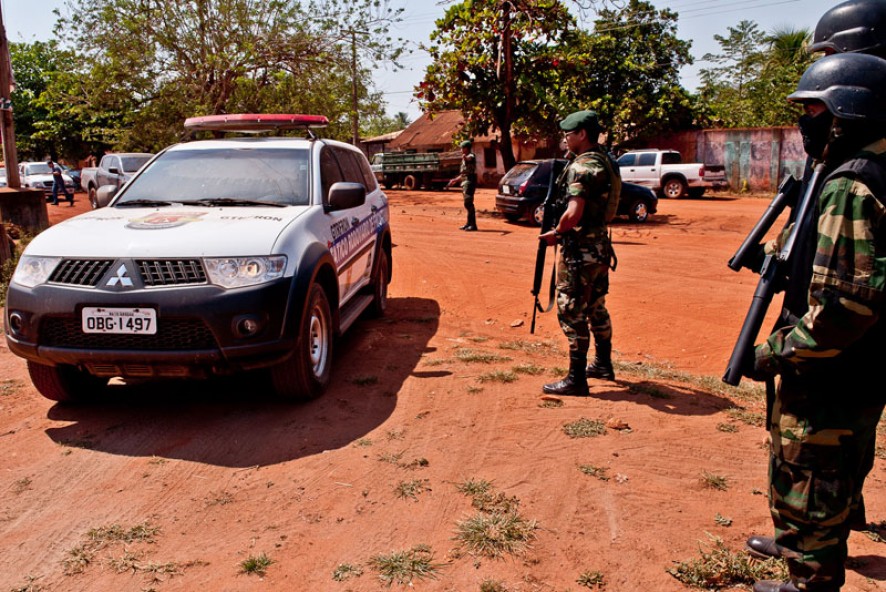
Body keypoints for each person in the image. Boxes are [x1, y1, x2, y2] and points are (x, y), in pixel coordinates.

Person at [744, 0, 886, 568]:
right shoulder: (860, 165)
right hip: (855, 359)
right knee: (834, 459)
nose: (805, 120)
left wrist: (777, 351)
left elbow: (847, 303)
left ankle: (811, 567)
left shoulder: (853, 182)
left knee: (815, 458)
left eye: (812, 109)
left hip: (834, 361)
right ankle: (808, 540)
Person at [539, 110, 621, 397]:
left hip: (579, 251)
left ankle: (576, 379)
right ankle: (603, 365)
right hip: (599, 247)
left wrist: (557, 232)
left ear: (582, 134)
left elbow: (574, 212)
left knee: (572, 310)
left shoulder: (582, 167)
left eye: (568, 134)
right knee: (596, 306)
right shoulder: (605, 160)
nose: (565, 139)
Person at [447, 139, 478, 231]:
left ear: (466, 148)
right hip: (465, 181)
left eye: (462, 148)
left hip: (470, 181)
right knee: (467, 203)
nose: (461, 150)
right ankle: (468, 223)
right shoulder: (464, 158)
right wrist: (454, 180)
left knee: (468, 203)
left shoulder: (471, 155)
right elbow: (463, 174)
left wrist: (465, 157)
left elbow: (470, 159)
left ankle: (473, 225)